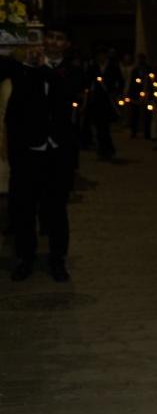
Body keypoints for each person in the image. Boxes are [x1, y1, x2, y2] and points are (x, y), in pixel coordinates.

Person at [0, 36, 79, 282]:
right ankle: (25, 258)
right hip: (27, 152)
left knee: (56, 210)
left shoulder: (71, 70)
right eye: (49, 38)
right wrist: (27, 64)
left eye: (59, 39)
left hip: (56, 151)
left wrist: (43, 68)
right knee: (23, 209)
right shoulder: (21, 70)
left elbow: (65, 94)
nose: (53, 43)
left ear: (66, 44)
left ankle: (57, 260)